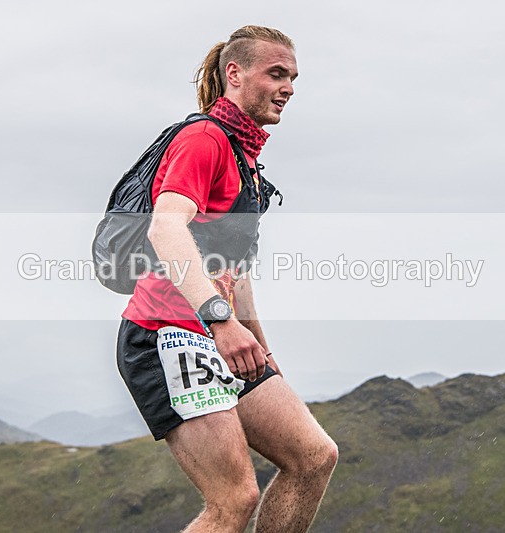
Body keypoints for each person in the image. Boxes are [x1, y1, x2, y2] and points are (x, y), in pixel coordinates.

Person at [116, 25, 338, 533]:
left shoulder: (246, 160)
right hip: (163, 335)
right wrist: (220, 322)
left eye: (294, 78)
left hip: (216, 335)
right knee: (234, 501)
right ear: (234, 74)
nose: (289, 88)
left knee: (313, 458)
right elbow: (166, 225)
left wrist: (260, 346)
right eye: (276, 73)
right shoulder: (205, 140)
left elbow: (235, 274)